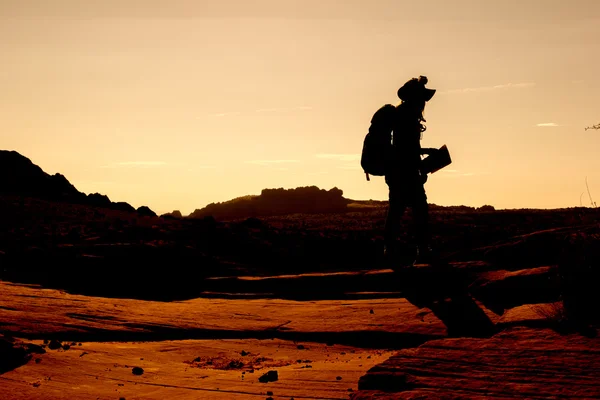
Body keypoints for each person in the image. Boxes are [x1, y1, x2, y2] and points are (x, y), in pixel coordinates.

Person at [383, 75, 437, 266]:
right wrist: (425, 156)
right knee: (418, 210)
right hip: (405, 172)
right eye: (422, 97)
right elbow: (405, 148)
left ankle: (391, 251)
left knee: (397, 211)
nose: (424, 101)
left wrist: (424, 154)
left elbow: (404, 147)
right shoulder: (407, 115)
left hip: (399, 171)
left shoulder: (403, 113)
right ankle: (420, 250)